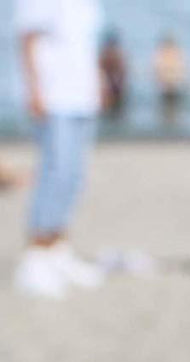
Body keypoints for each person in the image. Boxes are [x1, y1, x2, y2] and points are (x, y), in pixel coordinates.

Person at [13, 0, 106, 298]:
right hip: (55, 95)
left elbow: (86, 43)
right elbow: (27, 38)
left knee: (74, 175)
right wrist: (34, 89)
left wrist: (100, 80)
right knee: (55, 172)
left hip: (82, 93)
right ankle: (36, 257)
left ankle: (57, 247)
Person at [152, 33, 188, 127]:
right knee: (168, 108)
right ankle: (168, 125)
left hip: (172, 86)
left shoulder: (173, 54)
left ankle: (171, 125)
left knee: (171, 108)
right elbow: (157, 70)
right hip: (167, 86)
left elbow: (181, 70)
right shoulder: (163, 54)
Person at [98, 27, 126, 119]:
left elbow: (122, 71)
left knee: (115, 112)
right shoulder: (112, 54)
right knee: (112, 112)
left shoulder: (111, 54)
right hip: (112, 86)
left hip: (115, 86)